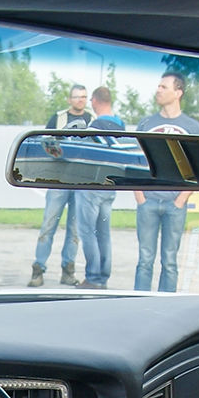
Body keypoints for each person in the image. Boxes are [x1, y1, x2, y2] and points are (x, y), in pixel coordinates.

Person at [133, 73, 199, 292]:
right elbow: (134, 160)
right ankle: (139, 304)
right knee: (145, 260)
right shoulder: (146, 123)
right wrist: (140, 197)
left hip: (175, 204)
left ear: (178, 92)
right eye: (158, 86)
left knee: (170, 262)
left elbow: (198, 167)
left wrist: (181, 199)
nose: (158, 90)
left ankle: (167, 304)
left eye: (164, 87)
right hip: (148, 201)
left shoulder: (191, 127)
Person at [28, 85, 93, 287]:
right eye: (76, 97)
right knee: (48, 225)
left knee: (75, 230)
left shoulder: (93, 119)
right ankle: (38, 270)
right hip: (58, 179)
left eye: (83, 97)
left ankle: (68, 271)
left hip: (81, 181)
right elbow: (44, 142)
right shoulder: (58, 118)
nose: (80, 100)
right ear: (69, 99)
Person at [76, 86, 125, 289]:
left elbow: (85, 156)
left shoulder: (94, 127)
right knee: (104, 234)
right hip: (111, 185)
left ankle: (93, 278)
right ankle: (103, 277)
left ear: (95, 101)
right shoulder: (121, 125)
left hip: (92, 185)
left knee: (87, 232)